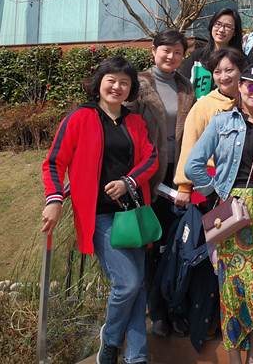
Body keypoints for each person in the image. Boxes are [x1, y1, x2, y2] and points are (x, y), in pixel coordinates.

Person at [40, 57, 158, 364]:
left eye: (124, 83)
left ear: (131, 88)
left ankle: (137, 356)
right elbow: (54, 161)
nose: (117, 87)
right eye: (111, 80)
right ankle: (112, 339)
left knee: (138, 286)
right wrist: (54, 199)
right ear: (99, 82)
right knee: (127, 283)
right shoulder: (80, 117)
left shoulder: (135, 122)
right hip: (99, 215)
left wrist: (128, 181)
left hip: (131, 214)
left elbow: (151, 157)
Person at [184, 65, 253, 364]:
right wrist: (216, 193)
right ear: (241, 86)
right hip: (233, 210)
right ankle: (234, 358)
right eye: (251, 86)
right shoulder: (222, 121)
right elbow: (193, 165)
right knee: (233, 284)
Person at [126, 30, 196, 338]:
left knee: (177, 246)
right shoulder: (138, 85)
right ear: (153, 51)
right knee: (151, 247)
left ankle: (176, 308)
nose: (171, 56)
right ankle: (157, 313)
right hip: (146, 175)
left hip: (177, 175)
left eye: (178, 52)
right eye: (166, 50)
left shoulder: (186, 87)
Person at [174, 47, 248, 198]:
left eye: (229, 70)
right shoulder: (204, 105)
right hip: (213, 183)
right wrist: (184, 186)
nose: (223, 77)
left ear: (241, 71)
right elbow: (189, 144)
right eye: (217, 72)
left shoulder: (251, 103)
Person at [180, 9, 244, 99]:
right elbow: (182, 88)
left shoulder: (241, 61)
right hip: (197, 107)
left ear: (235, 32)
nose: (221, 30)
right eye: (218, 24)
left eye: (228, 26)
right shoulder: (197, 56)